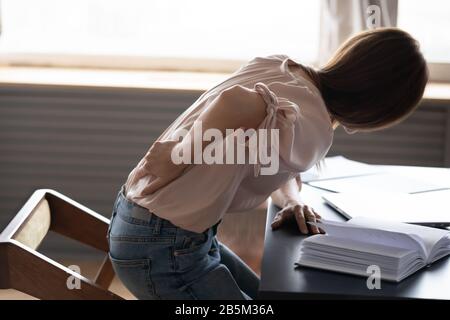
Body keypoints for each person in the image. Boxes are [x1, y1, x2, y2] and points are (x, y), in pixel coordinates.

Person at [107, 28, 428, 300]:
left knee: (267, 294)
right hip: (164, 249)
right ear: (376, 109)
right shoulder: (312, 129)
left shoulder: (281, 66)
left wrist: (291, 199)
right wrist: (179, 156)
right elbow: (235, 103)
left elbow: (272, 154)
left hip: (146, 225)